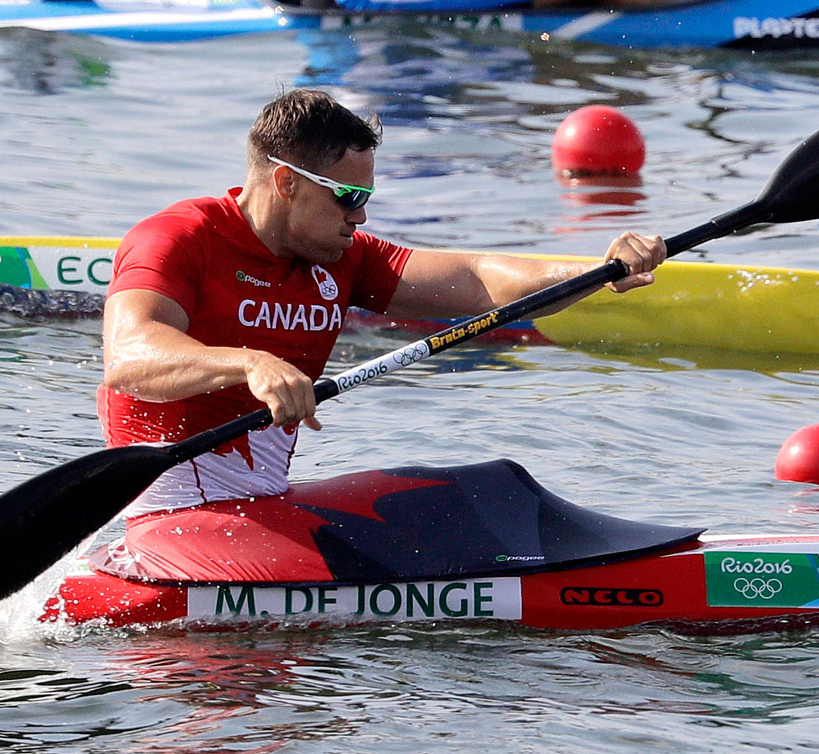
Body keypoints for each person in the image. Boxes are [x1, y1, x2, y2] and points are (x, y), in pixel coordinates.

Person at [98, 89, 664, 527]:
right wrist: (248, 363)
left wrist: (599, 270)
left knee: (480, 495)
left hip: (259, 503)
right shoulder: (176, 239)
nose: (361, 217)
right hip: (170, 514)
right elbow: (129, 357)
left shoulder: (345, 259)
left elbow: (476, 276)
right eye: (349, 197)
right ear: (286, 182)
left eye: (367, 198)